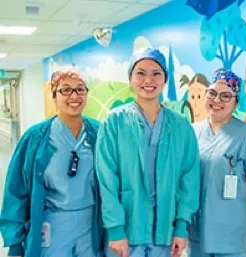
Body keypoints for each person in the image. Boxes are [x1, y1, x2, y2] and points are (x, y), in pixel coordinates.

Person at [96, 48, 200, 257]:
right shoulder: (114, 122)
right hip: (127, 227)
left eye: (156, 73)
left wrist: (181, 226)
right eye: (140, 73)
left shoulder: (181, 126)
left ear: (164, 79)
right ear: (130, 78)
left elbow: (189, 178)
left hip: (166, 230)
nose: (148, 80)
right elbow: (107, 178)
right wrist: (115, 229)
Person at [0, 68, 103, 257]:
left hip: (90, 227)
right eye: (65, 89)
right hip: (52, 225)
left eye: (80, 89)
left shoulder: (99, 133)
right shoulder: (35, 138)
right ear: (53, 95)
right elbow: (16, 190)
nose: (74, 95)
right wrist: (15, 242)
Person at [189, 70, 246, 257]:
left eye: (226, 95)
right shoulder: (192, 132)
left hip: (231, 234)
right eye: (212, 93)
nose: (217, 100)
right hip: (196, 230)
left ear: (236, 102)